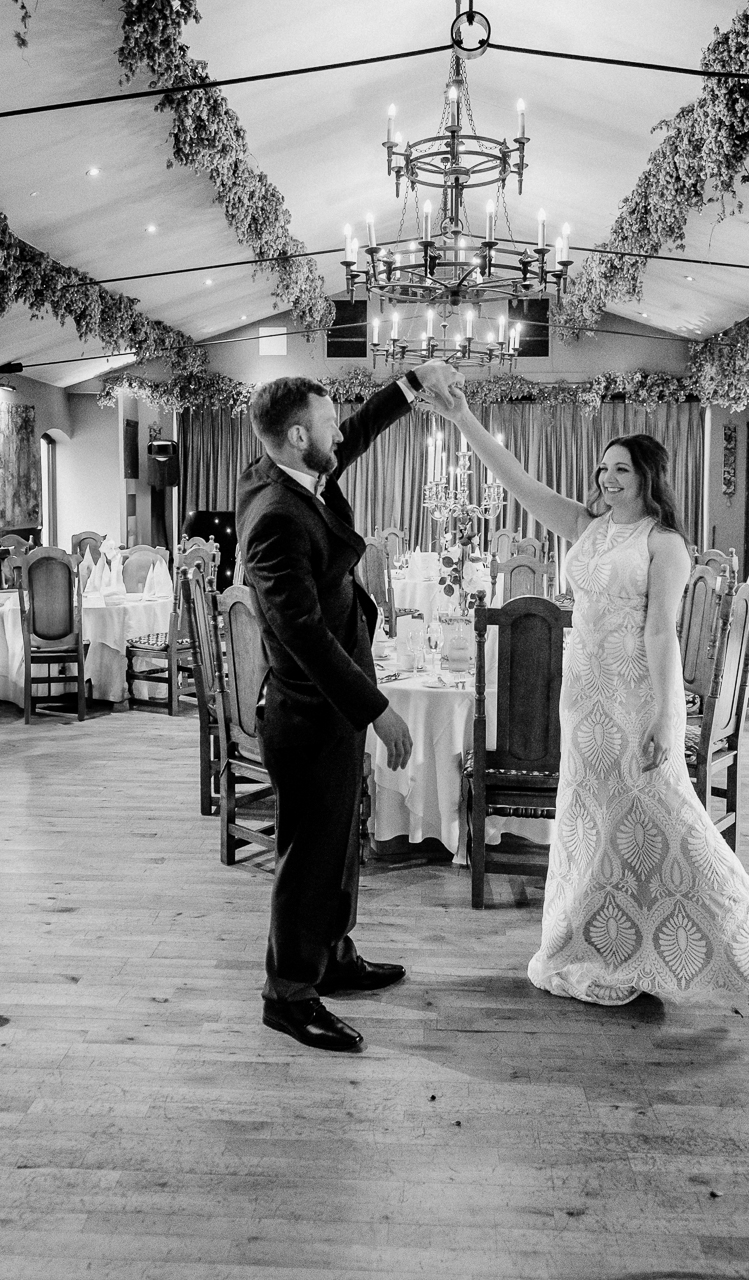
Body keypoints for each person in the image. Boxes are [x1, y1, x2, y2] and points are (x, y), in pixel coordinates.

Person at [423, 382, 749, 1006]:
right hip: (580, 698)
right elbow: (517, 480)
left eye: (620, 469)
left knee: (657, 819)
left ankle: (741, 942)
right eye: (603, 468)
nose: (607, 478)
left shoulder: (665, 544)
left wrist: (664, 714)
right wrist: (464, 417)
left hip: (630, 697)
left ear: (647, 477)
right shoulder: (587, 527)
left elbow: (662, 633)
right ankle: (600, 944)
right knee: (593, 825)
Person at [237, 362, 458, 1051]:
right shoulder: (275, 518)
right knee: (310, 855)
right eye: (328, 423)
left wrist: (410, 385)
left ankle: (333, 954)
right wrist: (375, 709)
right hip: (308, 712)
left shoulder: (293, 470)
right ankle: (289, 992)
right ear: (299, 435)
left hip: (329, 705)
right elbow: (301, 634)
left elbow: (351, 433)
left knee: (338, 845)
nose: (342, 432)